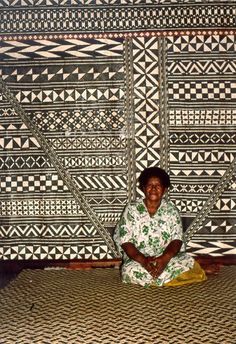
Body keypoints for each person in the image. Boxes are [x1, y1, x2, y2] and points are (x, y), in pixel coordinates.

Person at [113, 167, 206, 287]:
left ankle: (159, 278)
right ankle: (177, 276)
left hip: (165, 257)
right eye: (149, 185)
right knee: (129, 271)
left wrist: (164, 259)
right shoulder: (131, 209)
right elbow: (125, 241)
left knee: (184, 261)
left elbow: (176, 240)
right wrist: (144, 261)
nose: (153, 189)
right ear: (143, 188)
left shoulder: (171, 210)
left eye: (158, 185)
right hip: (138, 259)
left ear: (165, 189)